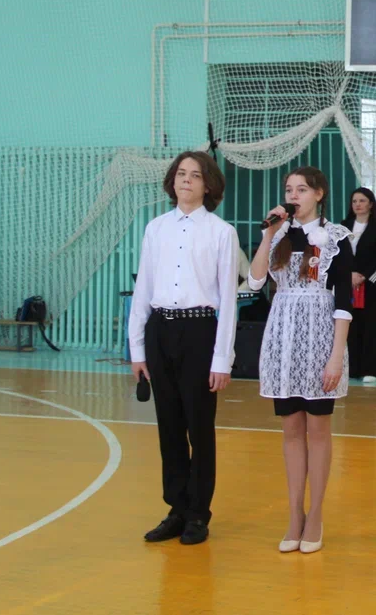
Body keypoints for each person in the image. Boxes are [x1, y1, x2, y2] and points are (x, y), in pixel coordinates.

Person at [128, 151, 240, 546]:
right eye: (180, 174)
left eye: (194, 175)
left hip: (199, 332)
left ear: (208, 185)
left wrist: (222, 359)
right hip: (161, 330)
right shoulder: (155, 229)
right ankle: (176, 509)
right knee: (169, 426)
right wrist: (137, 350)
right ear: (172, 181)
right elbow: (143, 289)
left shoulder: (222, 232)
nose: (186, 180)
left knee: (199, 427)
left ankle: (198, 514)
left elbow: (228, 301)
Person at [249, 166, 354, 554]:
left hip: (320, 335)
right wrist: (268, 234)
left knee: (318, 429)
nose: (293, 196)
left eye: (302, 189)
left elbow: (344, 300)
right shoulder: (278, 234)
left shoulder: (337, 237)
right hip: (284, 335)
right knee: (291, 429)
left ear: (319, 194)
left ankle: (316, 515)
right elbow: (255, 281)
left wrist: (336, 356)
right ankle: (295, 514)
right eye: (289, 189)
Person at [341, 187, 376, 383]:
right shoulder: (343, 226)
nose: (358, 205)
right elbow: (337, 254)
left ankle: (370, 369)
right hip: (347, 284)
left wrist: (364, 275)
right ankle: (351, 368)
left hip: (371, 286)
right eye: (354, 201)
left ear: (371, 204)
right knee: (348, 325)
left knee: (370, 326)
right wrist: (349, 274)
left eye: (362, 201)